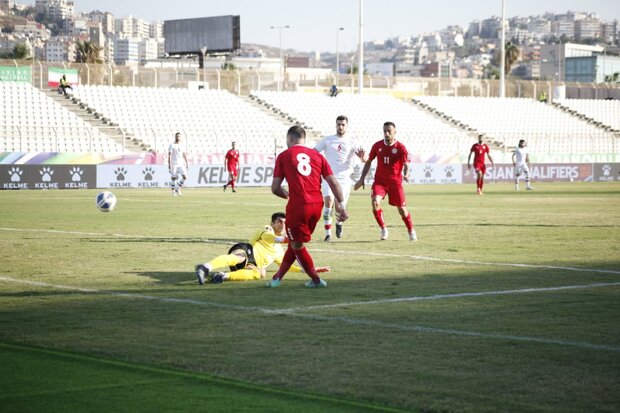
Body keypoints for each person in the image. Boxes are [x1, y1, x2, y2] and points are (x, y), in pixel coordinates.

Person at [267, 125, 348, 288]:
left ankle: (316, 280)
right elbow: (333, 181)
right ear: (304, 138)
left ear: (290, 138)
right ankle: (276, 279)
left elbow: (275, 187)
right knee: (294, 242)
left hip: (299, 205)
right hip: (317, 205)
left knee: (297, 244)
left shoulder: (284, 156)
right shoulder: (317, 156)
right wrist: (341, 205)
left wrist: (288, 195)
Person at [194, 212, 330, 284]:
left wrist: (309, 269)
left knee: (262, 273)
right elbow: (267, 237)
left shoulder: (279, 251)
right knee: (239, 257)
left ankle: (222, 276)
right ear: (272, 223)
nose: (282, 225)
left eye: (285, 222)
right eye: (279, 222)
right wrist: (286, 239)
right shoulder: (267, 228)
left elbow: (286, 266)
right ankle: (206, 267)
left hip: (251, 266)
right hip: (247, 251)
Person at [354, 121, 417, 241]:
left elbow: (406, 164)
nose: (387, 134)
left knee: (402, 210)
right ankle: (383, 228)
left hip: (395, 183)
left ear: (394, 132)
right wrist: (362, 179)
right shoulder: (377, 146)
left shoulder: (400, 147)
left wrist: (406, 174)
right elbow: (368, 162)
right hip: (380, 182)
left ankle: (411, 230)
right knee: (375, 202)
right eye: (385, 131)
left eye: (389, 131)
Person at [314, 115, 366, 241]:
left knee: (339, 207)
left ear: (346, 126)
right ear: (335, 125)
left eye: (343, 125)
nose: (340, 127)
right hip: (329, 177)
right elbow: (314, 152)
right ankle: (328, 234)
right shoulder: (328, 140)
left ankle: (339, 224)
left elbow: (365, 159)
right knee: (328, 202)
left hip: (344, 179)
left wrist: (361, 157)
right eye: (338, 124)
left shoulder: (352, 141)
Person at [168, 132, 189, 197]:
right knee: (173, 178)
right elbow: (169, 155)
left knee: (185, 177)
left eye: (179, 136)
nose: (178, 137)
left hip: (181, 164)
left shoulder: (182, 145)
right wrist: (169, 164)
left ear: (180, 137)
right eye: (177, 136)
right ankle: (173, 192)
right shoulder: (172, 145)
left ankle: (178, 188)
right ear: (175, 137)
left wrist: (187, 162)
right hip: (174, 164)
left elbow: (184, 154)